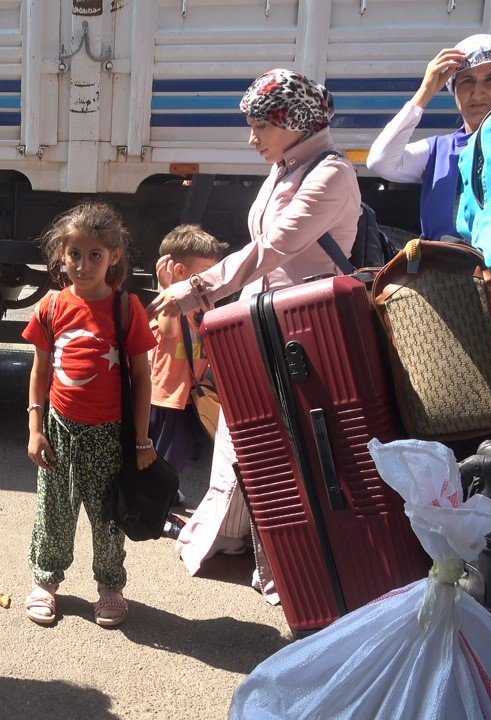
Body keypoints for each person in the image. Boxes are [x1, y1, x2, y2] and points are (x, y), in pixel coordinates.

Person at [148, 68, 361, 592]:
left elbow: (275, 247)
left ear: (293, 121)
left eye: (261, 126)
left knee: (281, 442)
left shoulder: (330, 173)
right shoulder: (290, 167)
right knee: (242, 430)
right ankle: (236, 540)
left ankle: (289, 566)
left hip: (301, 328)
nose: (253, 139)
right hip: (261, 319)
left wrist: (197, 290)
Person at [20, 202, 158, 628]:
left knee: (107, 514)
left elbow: (141, 377)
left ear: (113, 256)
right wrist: (34, 428)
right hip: (60, 430)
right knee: (54, 511)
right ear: (61, 255)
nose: (83, 265)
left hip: (109, 435)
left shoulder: (125, 309)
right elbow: (41, 371)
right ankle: (46, 581)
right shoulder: (50, 307)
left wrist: (141, 439)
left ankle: (110, 586)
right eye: (74, 254)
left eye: (94, 255)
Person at [366, 34, 491, 240]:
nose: (477, 93)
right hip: (442, 269)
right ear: (454, 90)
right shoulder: (439, 150)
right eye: (467, 82)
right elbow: (380, 162)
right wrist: (425, 92)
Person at [149, 225, 228, 478]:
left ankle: (165, 492)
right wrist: (167, 289)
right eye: (206, 272)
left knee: (188, 448)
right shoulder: (169, 304)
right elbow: (169, 331)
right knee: (170, 453)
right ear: (181, 271)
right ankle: (156, 500)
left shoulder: (203, 302)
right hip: (168, 396)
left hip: (192, 394)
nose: (212, 278)